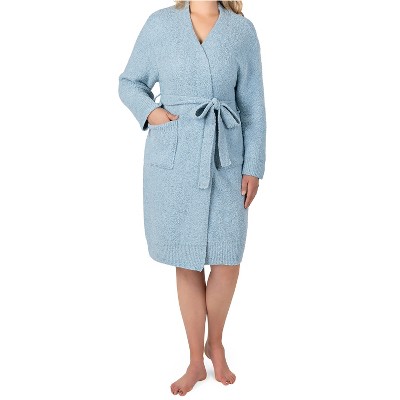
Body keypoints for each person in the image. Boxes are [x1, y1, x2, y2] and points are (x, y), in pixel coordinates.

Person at [118, 0, 266, 395]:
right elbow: (129, 82)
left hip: (226, 158)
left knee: (227, 260)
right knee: (186, 261)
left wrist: (254, 166)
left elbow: (253, 106)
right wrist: (152, 114)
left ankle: (214, 343)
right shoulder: (160, 24)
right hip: (176, 159)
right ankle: (194, 362)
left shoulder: (241, 31)